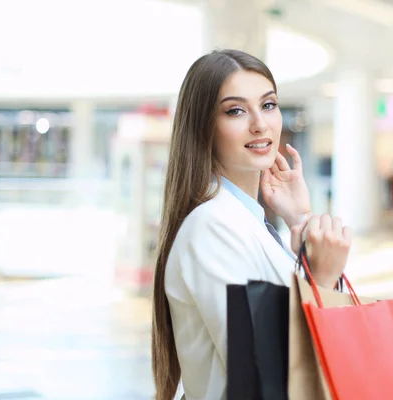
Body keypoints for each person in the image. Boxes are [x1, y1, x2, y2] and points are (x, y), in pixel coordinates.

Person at [151, 49, 353, 400]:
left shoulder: (247, 220)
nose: (260, 123)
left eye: (269, 105)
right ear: (203, 127)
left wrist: (301, 222)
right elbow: (261, 373)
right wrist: (320, 280)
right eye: (236, 110)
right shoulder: (210, 226)